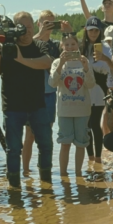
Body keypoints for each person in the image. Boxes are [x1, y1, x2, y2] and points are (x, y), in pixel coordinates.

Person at [0, 11, 53, 188]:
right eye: (23, 28)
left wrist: (21, 59)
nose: (27, 31)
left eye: (30, 27)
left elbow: (46, 63)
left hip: (37, 105)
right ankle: (14, 187)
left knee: (46, 145)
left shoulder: (39, 45)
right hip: (13, 107)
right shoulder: (7, 48)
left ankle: (46, 184)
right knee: (13, 150)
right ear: (16, 28)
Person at [25, 10, 65, 176]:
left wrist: (67, 32)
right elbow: (23, 48)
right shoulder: (31, 43)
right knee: (30, 134)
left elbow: (71, 49)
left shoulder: (56, 45)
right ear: (38, 24)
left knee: (46, 133)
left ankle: (44, 167)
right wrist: (39, 35)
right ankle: (25, 170)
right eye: (44, 23)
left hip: (49, 93)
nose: (48, 26)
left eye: (51, 23)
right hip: (33, 94)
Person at [49, 34, 93, 176]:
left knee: (81, 143)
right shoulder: (56, 62)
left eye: (72, 45)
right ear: (62, 46)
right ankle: (63, 175)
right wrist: (61, 64)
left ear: (77, 45)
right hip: (65, 111)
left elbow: (91, 84)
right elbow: (52, 83)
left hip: (82, 110)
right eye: (66, 45)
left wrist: (86, 68)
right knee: (65, 143)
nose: (69, 48)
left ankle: (78, 174)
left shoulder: (84, 61)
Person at [80, 17, 113, 168]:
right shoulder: (82, 47)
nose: (93, 33)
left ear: (99, 31)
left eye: (96, 30)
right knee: (87, 125)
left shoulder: (106, 47)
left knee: (95, 123)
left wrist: (105, 58)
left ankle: (99, 158)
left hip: (100, 88)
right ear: (86, 31)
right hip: (84, 89)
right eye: (90, 30)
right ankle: (90, 157)